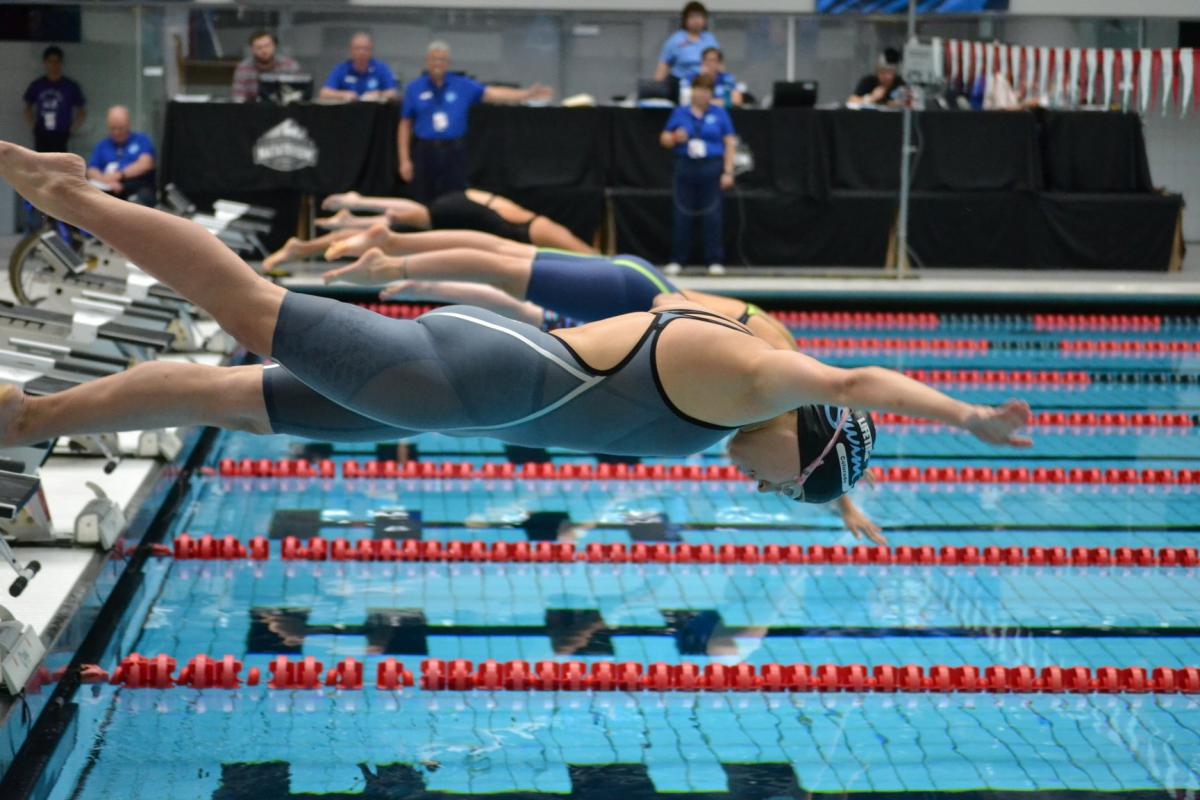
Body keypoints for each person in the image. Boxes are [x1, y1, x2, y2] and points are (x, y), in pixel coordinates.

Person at [0, 141, 1032, 510]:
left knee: (212, 391)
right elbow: (848, 389)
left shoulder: (742, 411)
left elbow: (827, 433)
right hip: (460, 380)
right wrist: (969, 415)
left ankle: (25, 419)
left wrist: (843, 496)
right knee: (250, 311)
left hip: (466, 391)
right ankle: (74, 198)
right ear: (795, 445)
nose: (764, 494)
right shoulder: (750, 380)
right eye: (790, 490)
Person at [301, 224, 882, 540]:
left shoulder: (789, 393)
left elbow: (816, 441)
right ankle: (394, 256)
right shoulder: (770, 355)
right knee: (506, 263)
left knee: (507, 256)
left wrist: (844, 503)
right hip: (638, 299)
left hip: (635, 323)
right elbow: (680, 305)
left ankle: (395, 242)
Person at [262, 189, 594, 270]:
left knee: (393, 235)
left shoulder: (530, 228)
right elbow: (596, 259)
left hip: (473, 210)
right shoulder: (539, 228)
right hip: (476, 214)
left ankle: (304, 247)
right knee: (401, 229)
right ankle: (356, 206)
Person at [399, 41, 553, 205]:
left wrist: (526, 95)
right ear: (427, 61)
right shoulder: (414, 88)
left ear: (448, 63)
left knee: (455, 199)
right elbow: (404, 125)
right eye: (434, 59)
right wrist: (404, 160)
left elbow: (493, 93)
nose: (438, 63)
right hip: (425, 151)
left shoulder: (462, 85)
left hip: (453, 151)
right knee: (423, 199)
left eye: (442, 59)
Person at [660, 74, 735, 276]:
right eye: (699, 89)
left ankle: (714, 259)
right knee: (681, 214)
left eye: (706, 90)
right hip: (686, 166)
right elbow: (664, 139)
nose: (702, 94)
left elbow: (729, 142)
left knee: (713, 215)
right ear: (692, 91)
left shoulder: (719, 114)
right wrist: (675, 137)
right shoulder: (680, 113)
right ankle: (678, 259)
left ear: (711, 94)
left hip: (711, 167)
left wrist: (728, 171)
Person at [86, 106, 155, 206]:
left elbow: (145, 164)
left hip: (135, 186)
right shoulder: (102, 145)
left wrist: (119, 175)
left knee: (142, 199)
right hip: (107, 188)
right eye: (113, 128)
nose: (116, 132)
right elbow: (92, 170)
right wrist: (106, 181)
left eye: (120, 128)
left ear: (128, 125)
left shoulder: (141, 140)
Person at [23, 46, 86, 153]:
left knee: (60, 165)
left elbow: (82, 111)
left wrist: (72, 129)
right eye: (50, 61)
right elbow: (27, 108)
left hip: (62, 133)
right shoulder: (37, 85)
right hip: (42, 133)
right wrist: (34, 126)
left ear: (61, 63)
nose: (54, 65)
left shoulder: (70, 86)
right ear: (45, 63)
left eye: (57, 62)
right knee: (41, 164)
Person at [654, 1, 720, 91]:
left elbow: (719, 64)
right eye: (692, 17)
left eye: (699, 16)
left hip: (705, 84)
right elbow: (663, 65)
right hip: (681, 85)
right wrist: (656, 88)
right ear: (685, 19)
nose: (696, 20)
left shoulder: (710, 39)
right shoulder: (676, 39)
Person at [319, 33, 397, 102]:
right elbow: (324, 93)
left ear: (371, 51)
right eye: (357, 48)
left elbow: (392, 93)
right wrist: (343, 94)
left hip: (375, 115)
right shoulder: (340, 69)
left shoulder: (381, 69)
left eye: (365, 49)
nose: (361, 52)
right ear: (350, 51)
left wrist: (378, 94)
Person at [231, 30, 301, 103]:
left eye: (267, 46)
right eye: (259, 47)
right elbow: (238, 99)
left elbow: (299, 96)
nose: (264, 51)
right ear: (252, 50)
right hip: (252, 111)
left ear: (274, 46)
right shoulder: (243, 68)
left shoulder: (289, 66)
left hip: (283, 110)